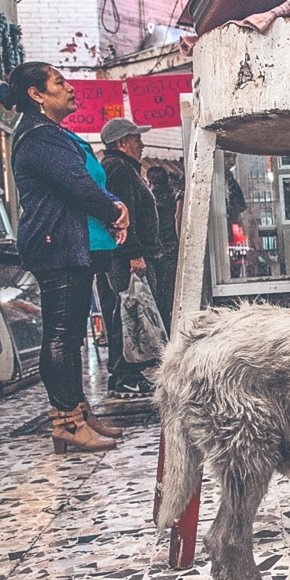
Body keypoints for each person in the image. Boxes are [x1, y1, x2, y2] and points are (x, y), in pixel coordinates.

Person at [1, 62, 127, 453]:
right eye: (60, 82)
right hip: (55, 245)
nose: (70, 88)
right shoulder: (39, 136)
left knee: (69, 337)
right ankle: (67, 423)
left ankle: (78, 412)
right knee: (60, 335)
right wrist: (113, 209)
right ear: (36, 94)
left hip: (63, 243)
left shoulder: (47, 132)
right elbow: (78, 185)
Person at [95, 118, 161, 399]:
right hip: (125, 257)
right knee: (126, 313)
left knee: (127, 312)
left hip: (122, 255)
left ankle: (129, 372)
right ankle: (123, 375)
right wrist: (134, 253)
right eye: (136, 138)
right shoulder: (119, 170)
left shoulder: (119, 168)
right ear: (121, 143)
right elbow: (124, 216)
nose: (141, 144)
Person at [146, 166, 179, 333]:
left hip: (157, 255)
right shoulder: (174, 199)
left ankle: (163, 333)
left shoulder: (149, 200)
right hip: (173, 252)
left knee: (159, 301)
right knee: (170, 299)